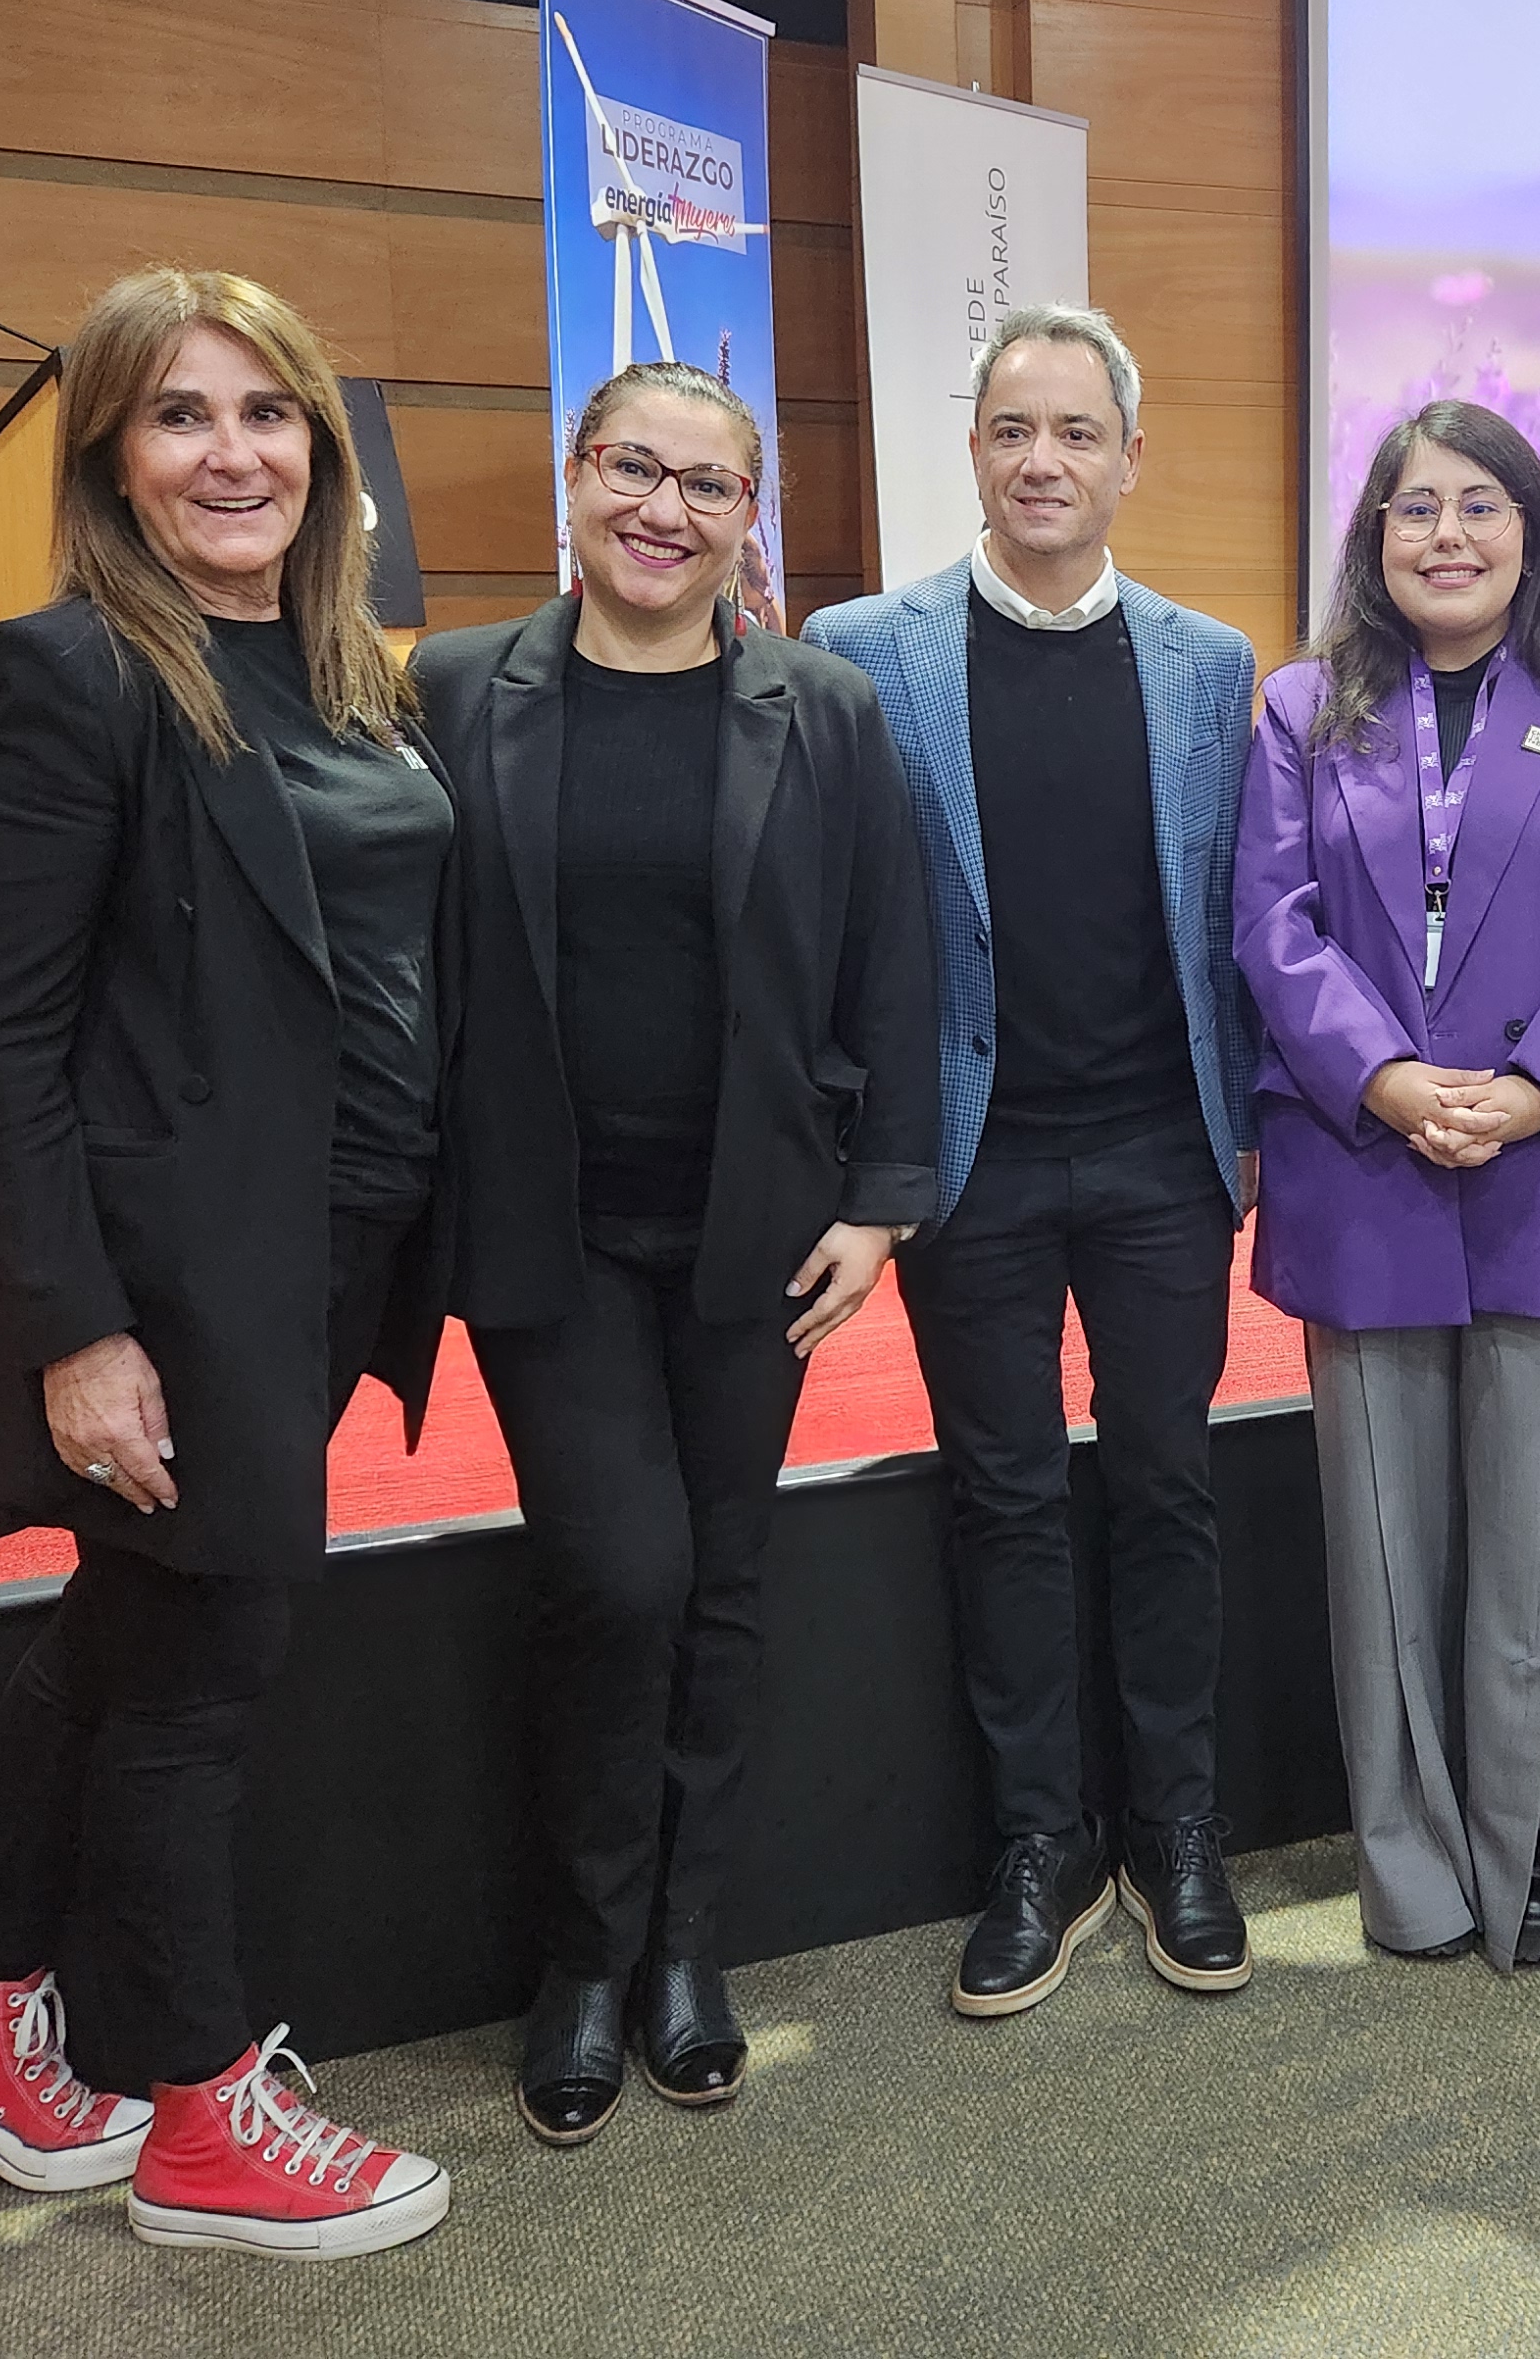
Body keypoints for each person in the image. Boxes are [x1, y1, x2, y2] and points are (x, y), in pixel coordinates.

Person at [0, 267, 456, 2257]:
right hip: (182, 1279)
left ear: (322, 443)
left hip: (322, 1252)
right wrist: (75, 1330)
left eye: (267, 412)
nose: (233, 454)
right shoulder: (75, 672)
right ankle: (199, 2108)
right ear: (113, 460)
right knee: (207, 1663)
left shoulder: (354, 670)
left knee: (126, 1630)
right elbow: (0, 1033)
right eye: (181, 417)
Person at [416, 362, 938, 2147]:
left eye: (708, 485)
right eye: (633, 468)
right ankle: (580, 1954)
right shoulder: (454, 690)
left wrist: (879, 1204)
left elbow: (896, 961)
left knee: (722, 1582)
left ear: (749, 517)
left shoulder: (828, 710)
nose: (664, 509)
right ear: (572, 478)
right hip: (544, 1230)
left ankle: (682, 1948)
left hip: (759, 1235)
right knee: (616, 1575)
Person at [804, 305, 1262, 2020]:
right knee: (1002, 1500)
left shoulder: (1211, 664)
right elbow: (840, 923)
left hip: (1161, 1156)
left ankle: (1180, 1831)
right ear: (975, 450)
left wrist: (1261, 1129)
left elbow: (1237, 919)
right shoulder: (864, 649)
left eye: (1077, 432)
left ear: (1130, 457)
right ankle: (1037, 1846)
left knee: (1164, 1489)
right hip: (971, 1164)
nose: (1044, 462)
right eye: (1014, 431)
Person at [1236, 404, 1540, 1972]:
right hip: (1367, 1159)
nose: (1446, 534)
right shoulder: (1302, 709)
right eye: (1414, 506)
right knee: (1385, 1548)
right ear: (1373, 535)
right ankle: (1417, 1872)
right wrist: (1385, 1076)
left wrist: (1530, 1087)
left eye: (1480, 506)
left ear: (1530, 531)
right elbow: (1272, 926)